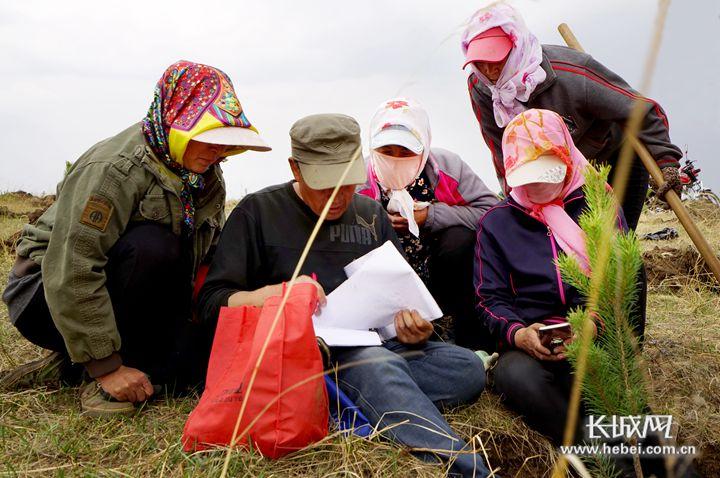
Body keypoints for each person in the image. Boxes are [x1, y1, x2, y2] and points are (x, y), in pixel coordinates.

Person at [197, 113, 491, 477]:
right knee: (376, 368)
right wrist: (279, 294)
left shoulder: (369, 213)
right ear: (296, 168)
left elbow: (400, 296)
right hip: (300, 357)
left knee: (467, 369)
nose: (338, 197)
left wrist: (412, 328)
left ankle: (351, 401)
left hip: (378, 345)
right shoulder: (256, 213)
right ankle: (465, 468)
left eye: (348, 183)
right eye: (325, 184)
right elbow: (213, 303)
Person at [0, 61, 271, 416]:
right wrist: (108, 368)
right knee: (155, 247)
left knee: (197, 367)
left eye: (225, 142)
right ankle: (99, 372)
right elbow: (72, 267)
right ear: (178, 122)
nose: (217, 151)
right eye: (209, 138)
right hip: (44, 294)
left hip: (129, 294)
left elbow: (204, 257)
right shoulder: (115, 169)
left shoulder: (205, 176)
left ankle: (71, 363)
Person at [461, 4, 683, 230]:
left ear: (516, 47)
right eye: (481, 63)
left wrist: (667, 163)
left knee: (616, 241)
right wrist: (517, 200)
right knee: (569, 248)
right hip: (556, 174)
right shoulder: (482, 88)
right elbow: (502, 151)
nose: (489, 71)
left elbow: (642, 111)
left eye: (495, 59)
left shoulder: (571, 75)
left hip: (614, 158)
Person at [358, 97, 498, 350]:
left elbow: (490, 211)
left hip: (439, 271)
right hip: (386, 278)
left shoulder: (446, 167)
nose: (396, 159)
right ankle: (384, 336)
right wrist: (377, 223)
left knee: (460, 240)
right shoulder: (360, 181)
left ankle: (470, 340)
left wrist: (429, 217)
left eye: (406, 152)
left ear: (424, 146)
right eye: (387, 151)